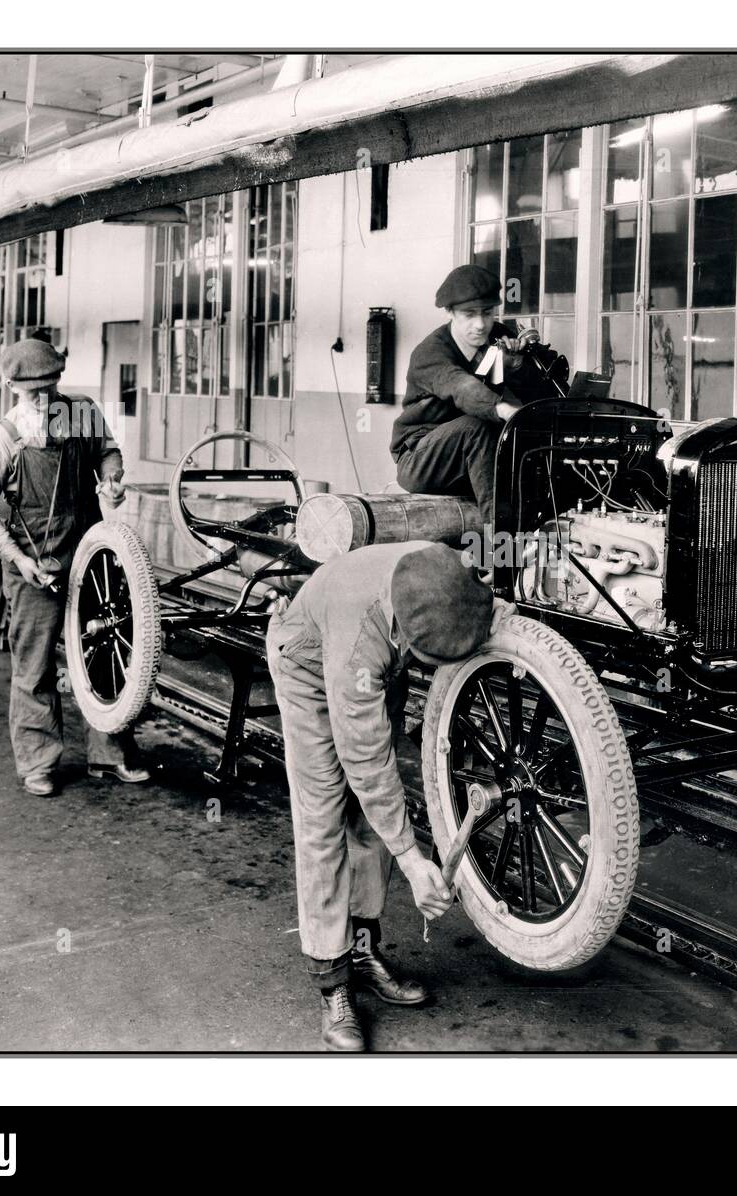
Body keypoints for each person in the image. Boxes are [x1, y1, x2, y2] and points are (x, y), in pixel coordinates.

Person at [265, 540, 511, 1050]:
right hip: (308, 667)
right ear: (402, 632)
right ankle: (333, 981)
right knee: (326, 815)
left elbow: (492, 614)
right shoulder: (361, 642)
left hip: (379, 666)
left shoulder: (441, 571)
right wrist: (413, 859)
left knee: (369, 820)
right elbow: (367, 763)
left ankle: (360, 949)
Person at [0, 336, 150, 797]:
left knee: (105, 654)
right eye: (34, 393)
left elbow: (108, 449)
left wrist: (111, 480)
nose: (45, 400)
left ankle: (110, 754)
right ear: (10, 386)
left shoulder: (80, 410)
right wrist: (19, 559)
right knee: (35, 665)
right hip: (33, 563)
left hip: (89, 554)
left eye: (51, 388)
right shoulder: (0, 438)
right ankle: (38, 762)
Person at [389, 265, 544, 536]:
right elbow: (460, 387)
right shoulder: (431, 352)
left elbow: (535, 390)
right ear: (450, 313)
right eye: (469, 315)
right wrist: (503, 409)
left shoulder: (497, 337)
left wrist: (518, 364)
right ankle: (500, 549)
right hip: (420, 458)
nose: (480, 324)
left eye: (486, 312)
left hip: (469, 461)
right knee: (479, 427)